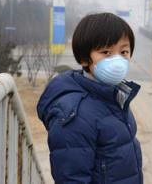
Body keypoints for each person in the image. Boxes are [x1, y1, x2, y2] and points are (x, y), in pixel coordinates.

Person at [37, 13, 143, 184]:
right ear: (84, 59)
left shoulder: (114, 97)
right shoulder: (75, 115)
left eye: (124, 51)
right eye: (106, 52)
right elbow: (71, 178)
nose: (117, 60)